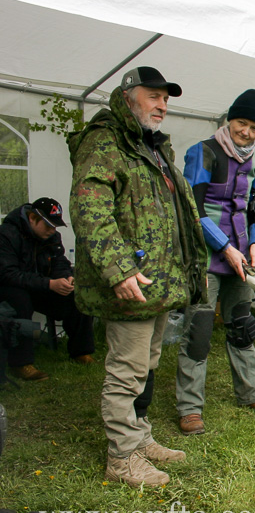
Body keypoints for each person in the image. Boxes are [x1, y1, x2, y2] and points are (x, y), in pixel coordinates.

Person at [69, 66, 209, 488]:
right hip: (129, 283)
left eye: (166, 99)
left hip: (158, 283)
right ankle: (122, 457)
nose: (162, 106)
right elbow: (90, 210)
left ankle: (140, 436)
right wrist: (119, 270)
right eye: (154, 97)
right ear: (129, 95)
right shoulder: (105, 141)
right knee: (126, 371)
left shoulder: (152, 147)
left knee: (147, 364)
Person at [175, 89, 255, 437]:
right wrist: (224, 246)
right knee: (199, 330)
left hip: (241, 258)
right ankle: (190, 408)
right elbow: (191, 210)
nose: (246, 132)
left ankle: (251, 393)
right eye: (241, 123)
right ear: (228, 120)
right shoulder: (202, 153)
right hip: (205, 256)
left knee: (241, 325)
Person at [0, 197, 95, 380]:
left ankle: (81, 352)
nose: (53, 230)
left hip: (40, 286)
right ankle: (21, 364)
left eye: (56, 226)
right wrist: (50, 284)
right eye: (48, 225)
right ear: (32, 218)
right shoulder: (6, 234)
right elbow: (7, 274)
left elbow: (60, 262)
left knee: (77, 296)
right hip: (9, 288)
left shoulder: (52, 237)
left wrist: (66, 277)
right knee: (21, 300)